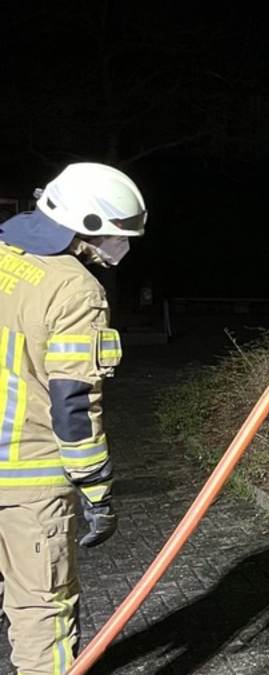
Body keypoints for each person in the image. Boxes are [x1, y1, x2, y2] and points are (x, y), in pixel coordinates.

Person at [0, 162, 146, 675]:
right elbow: (74, 403)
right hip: (26, 479)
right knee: (43, 608)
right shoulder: (74, 290)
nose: (120, 248)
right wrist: (96, 487)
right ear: (85, 223)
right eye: (115, 235)